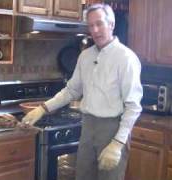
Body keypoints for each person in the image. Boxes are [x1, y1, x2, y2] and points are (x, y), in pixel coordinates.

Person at [22, 3, 143, 180]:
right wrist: (43, 108)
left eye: (99, 23)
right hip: (87, 127)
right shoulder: (85, 56)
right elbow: (71, 90)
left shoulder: (126, 58)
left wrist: (117, 143)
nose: (95, 30)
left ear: (111, 24)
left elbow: (133, 107)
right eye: (91, 25)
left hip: (112, 129)